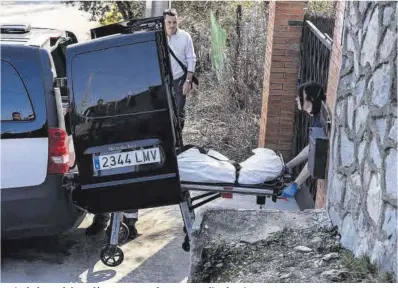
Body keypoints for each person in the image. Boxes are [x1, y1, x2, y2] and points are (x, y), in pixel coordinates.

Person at [282, 82, 326, 198]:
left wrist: (296, 184)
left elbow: (315, 155)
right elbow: (310, 148)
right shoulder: (317, 116)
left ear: (309, 98)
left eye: (300, 96)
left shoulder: (321, 122)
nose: (296, 99)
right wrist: (288, 166)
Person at [163, 8, 197, 130]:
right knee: (164, 113)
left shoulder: (185, 37)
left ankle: (179, 140)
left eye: (174, 22)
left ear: (178, 22)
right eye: (169, 22)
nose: (172, 25)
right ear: (164, 22)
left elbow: (191, 59)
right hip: (163, 82)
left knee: (179, 112)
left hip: (180, 80)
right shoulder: (159, 36)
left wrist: (188, 81)